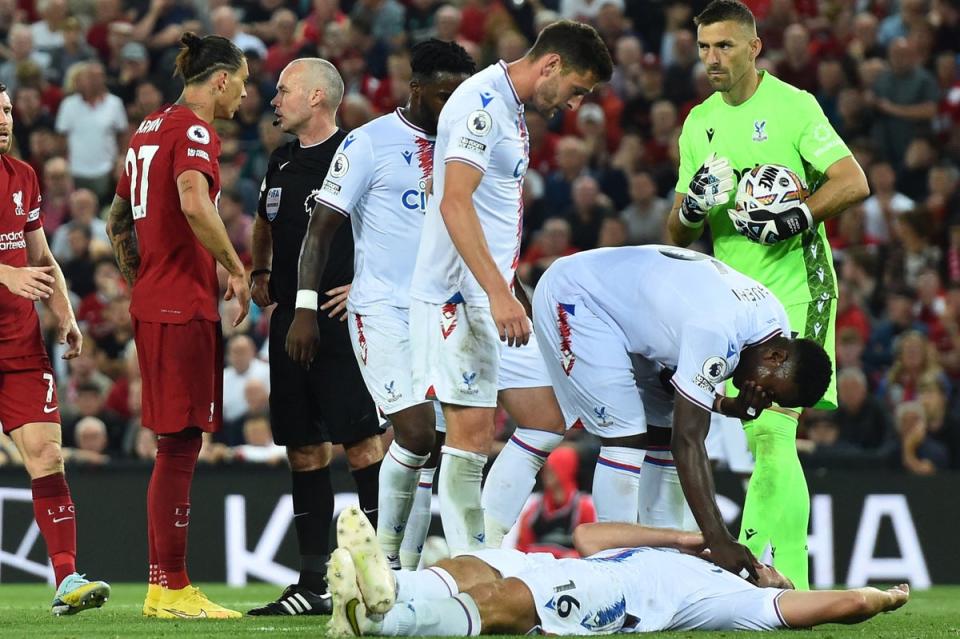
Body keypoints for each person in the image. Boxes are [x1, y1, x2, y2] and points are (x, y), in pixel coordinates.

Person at [665, 0, 870, 589]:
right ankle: (786, 586)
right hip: (736, 305)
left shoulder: (793, 106)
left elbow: (853, 180)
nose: (712, 59)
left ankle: (761, 579)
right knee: (763, 435)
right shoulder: (698, 122)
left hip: (799, 289)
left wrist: (800, 215)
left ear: (755, 47)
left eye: (725, 46)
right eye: (704, 48)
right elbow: (676, 231)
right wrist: (695, 206)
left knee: (774, 431)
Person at [405, 20, 613, 557]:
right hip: (459, 297)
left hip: (491, 293)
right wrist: (498, 293)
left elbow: (492, 214)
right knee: (469, 440)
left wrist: (511, 288)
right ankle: (466, 569)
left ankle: (487, 548)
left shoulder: (510, 108)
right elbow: (455, 202)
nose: (574, 103)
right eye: (577, 89)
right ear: (551, 66)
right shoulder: (482, 104)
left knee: (547, 420)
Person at [284, 40, 474, 570]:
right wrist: (304, 307)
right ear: (416, 90)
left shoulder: (468, 146)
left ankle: (408, 575)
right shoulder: (369, 143)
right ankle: (387, 563)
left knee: (434, 445)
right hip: (383, 311)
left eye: (461, 96)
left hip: (446, 314)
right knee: (413, 433)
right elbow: (320, 231)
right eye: (443, 95)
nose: (452, 107)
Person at [532, 245, 833, 579]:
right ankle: (610, 571)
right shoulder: (719, 330)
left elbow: (674, 381)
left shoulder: (772, 321)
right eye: (771, 390)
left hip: (625, 314)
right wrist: (719, 538)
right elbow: (688, 441)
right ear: (776, 358)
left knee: (661, 427)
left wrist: (728, 406)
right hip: (579, 296)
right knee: (627, 434)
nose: (762, 395)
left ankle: (660, 566)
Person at [106, 32, 251, 619]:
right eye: (241, 81)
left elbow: (119, 218)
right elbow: (194, 202)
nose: (245, 94)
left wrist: (141, 279)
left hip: (155, 303)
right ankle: (170, 586)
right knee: (181, 445)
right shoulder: (194, 130)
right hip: (181, 306)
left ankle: (165, 584)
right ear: (220, 80)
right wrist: (235, 268)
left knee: (177, 442)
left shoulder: (147, 129)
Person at [247, 57, 384, 616]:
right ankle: (311, 583)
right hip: (286, 320)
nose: (273, 99)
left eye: (283, 91)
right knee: (302, 447)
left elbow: (393, 228)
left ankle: (382, 572)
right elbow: (264, 219)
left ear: (317, 99)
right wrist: (258, 272)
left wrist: (364, 287)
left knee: (361, 443)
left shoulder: (358, 153)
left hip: (338, 319)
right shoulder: (279, 160)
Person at [326, 506, 910, 636]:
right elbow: (589, 536)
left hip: (610, 594)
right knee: (478, 561)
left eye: (776, 572)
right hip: (579, 562)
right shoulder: (691, 557)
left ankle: (383, 624)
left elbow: (838, 606)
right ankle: (387, 592)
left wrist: (880, 599)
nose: (767, 568)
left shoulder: (739, 602)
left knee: (510, 593)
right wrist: (691, 537)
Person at [0, 81, 111, 616]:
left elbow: (42, 259)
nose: (3, 120)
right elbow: (16, 268)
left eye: (5, 111)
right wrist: (4, 272)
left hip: (20, 347)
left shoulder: (22, 177)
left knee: (48, 457)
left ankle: (66, 581)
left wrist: (64, 315)